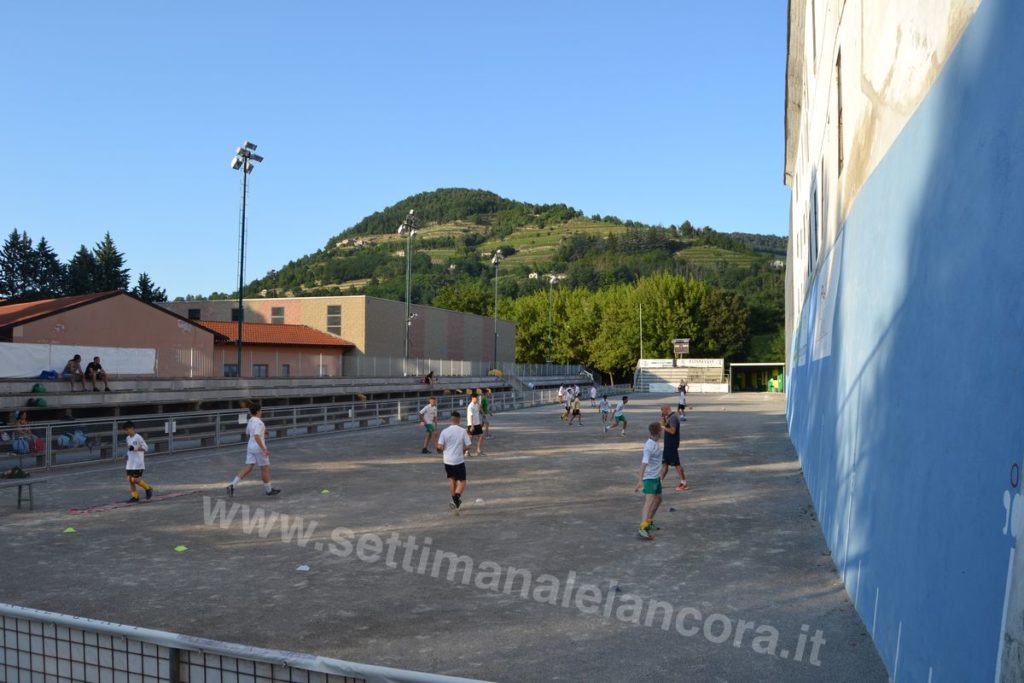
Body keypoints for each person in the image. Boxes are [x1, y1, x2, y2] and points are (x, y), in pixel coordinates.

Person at [227, 404, 280, 497]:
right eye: (261, 410)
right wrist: (264, 449)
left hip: (250, 447)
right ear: (258, 411)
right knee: (265, 468)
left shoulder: (251, 421)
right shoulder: (259, 422)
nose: (261, 412)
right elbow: (256, 436)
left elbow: (248, 432)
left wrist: (263, 431)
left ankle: (232, 485)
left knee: (249, 466)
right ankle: (269, 490)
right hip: (258, 448)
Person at [436, 410, 471, 511]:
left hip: (447, 461)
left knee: (452, 480)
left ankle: (454, 502)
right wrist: (462, 450)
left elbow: (439, 447)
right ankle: (456, 499)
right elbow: (468, 445)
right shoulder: (462, 431)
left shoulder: (444, 431)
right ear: (459, 420)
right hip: (458, 460)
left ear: (450, 420)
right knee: (462, 481)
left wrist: (439, 449)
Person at [634, 422, 664, 540]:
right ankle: (643, 527)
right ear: (658, 432)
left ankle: (649, 521)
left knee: (658, 499)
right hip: (650, 478)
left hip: (656, 477)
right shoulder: (649, 446)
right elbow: (643, 464)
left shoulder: (655, 443)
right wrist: (640, 481)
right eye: (661, 430)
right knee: (649, 501)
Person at [659, 404, 689, 491]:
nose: (662, 412)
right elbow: (666, 427)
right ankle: (659, 482)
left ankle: (684, 483)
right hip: (668, 445)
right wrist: (663, 421)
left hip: (672, 445)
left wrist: (663, 426)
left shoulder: (673, 418)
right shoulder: (668, 417)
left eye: (662, 410)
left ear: (666, 409)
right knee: (665, 464)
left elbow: (672, 431)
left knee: (677, 464)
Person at [123, 421, 153, 503]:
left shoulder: (138, 437)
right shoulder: (128, 438)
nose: (126, 432)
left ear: (132, 428)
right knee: (129, 479)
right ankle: (135, 496)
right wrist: (127, 455)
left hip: (137, 463)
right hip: (130, 463)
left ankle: (148, 488)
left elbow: (146, 448)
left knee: (135, 480)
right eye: (125, 430)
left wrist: (135, 449)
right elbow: (129, 449)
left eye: (127, 430)